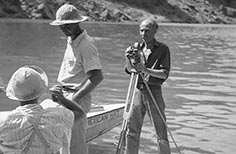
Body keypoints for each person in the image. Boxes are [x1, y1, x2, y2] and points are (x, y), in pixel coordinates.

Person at [50, 3, 103, 154]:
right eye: (61, 25)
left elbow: (97, 77)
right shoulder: (71, 40)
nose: (63, 28)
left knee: (76, 145)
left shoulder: (86, 44)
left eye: (67, 25)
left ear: (77, 23)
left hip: (75, 98)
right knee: (63, 145)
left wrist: (75, 99)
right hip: (64, 96)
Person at [0, 65, 85, 154]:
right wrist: (62, 99)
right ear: (40, 91)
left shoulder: (4, 121)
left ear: (14, 93)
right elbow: (79, 112)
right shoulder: (58, 116)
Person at [124, 18, 171, 154]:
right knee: (131, 131)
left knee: (161, 133)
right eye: (141, 30)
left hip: (154, 92)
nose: (143, 33)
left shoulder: (163, 49)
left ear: (155, 31)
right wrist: (127, 58)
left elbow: (164, 74)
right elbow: (129, 70)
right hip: (138, 91)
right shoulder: (137, 47)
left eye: (147, 30)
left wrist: (146, 70)